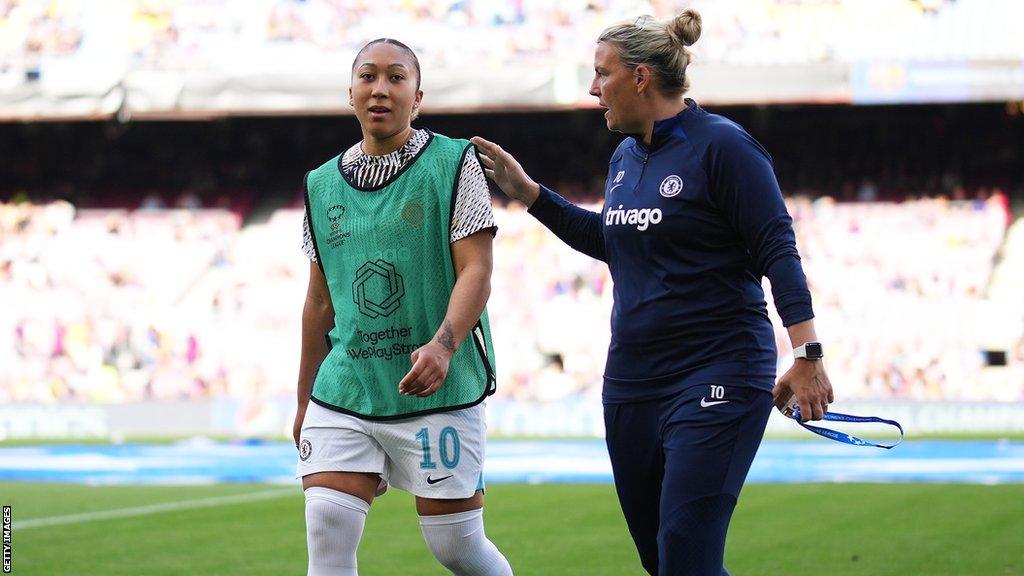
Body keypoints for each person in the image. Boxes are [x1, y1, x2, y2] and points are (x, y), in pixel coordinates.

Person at [472, 9, 832, 576]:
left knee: (687, 552)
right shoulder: (624, 157)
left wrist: (808, 355)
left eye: (601, 74)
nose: (593, 89)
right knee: (661, 562)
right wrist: (530, 194)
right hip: (634, 383)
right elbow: (612, 239)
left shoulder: (724, 148)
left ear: (640, 77)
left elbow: (778, 252)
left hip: (719, 369)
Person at [295, 38, 513, 576]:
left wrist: (443, 345)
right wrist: (303, 400)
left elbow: (476, 271)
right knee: (327, 526)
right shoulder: (319, 185)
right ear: (350, 94)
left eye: (397, 78)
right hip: (347, 386)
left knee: (456, 548)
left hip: (439, 386)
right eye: (368, 76)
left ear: (418, 97)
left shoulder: (454, 162)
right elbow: (319, 301)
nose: (381, 89)